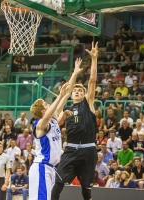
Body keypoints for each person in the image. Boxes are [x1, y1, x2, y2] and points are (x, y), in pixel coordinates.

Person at [52, 42, 99, 200]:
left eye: (81, 90)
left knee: (86, 188)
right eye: (76, 90)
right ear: (72, 95)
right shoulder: (67, 109)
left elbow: (92, 81)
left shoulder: (88, 103)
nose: (78, 91)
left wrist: (94, 59)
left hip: (88, 150)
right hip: (71, 150)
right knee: (57, 182)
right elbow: (56, 122)